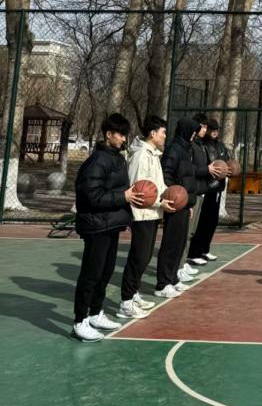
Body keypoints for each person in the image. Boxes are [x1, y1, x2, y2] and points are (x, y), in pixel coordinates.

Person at [72, 113, 140, 342]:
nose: (124, 139)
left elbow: (118, 192)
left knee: (106, 271)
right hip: (96, 225)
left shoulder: (117, 159)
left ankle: (95, 313)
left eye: (125, 135)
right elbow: (91, 196)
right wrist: (123, 197)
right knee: (91, 274)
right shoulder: (97, 161)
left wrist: (127, 210)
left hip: (110, 223)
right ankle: (79, 321)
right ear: (108, 134)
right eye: (120, 134)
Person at [119, 116, 176, 319]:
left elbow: (158, 185)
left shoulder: (153, 154)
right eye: (163, 132)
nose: (165, 136)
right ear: (153, 133)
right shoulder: (141, 155)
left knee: (145, 256)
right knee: (138, 257)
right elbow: (138, 188)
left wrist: (171, 195)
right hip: (141, 213)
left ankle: (134, 293)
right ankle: (126, 302)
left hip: (152, 212)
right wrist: (159, 202)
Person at [155, 117, 200, 298]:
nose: (195, 135)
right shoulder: (174, 149)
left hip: (184, 204)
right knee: (171, 244)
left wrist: (188, 203)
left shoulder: (186, 149)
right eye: (193, 132)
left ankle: (172, 278)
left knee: (180, 244)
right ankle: (162, 284)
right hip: (175, 204)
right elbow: (166, 175)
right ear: (186, 131)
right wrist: (176, 196)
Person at [181, 114, 225, 276]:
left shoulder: (214, 145)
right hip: (199, 189)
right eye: (205, 127)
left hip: (209, 188)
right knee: (192, 228)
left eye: (209, 128)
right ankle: (190, 256)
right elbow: (190, 169)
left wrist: (226, 168)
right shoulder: (193, 146)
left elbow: (223, 162)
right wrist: (207, 170)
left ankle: (198, 253)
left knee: (207, 223)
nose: (207, 130)